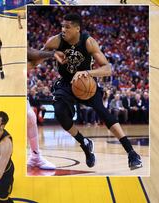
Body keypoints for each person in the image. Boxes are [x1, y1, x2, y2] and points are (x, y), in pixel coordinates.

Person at [42, 13, 142, 170]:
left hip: (86, 82)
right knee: (60, 113)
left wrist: (88, 73)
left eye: (67, 27)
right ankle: (85, 143)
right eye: (62, 26)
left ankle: (132, 153)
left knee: (103, 113)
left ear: (77, 29)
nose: (63, 30)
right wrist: (51, 53)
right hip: (66, 84)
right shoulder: (55, 41)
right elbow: (34, 56)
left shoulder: (88, 41)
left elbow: (108, 69)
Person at [26, 48, 66, 170]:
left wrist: (51, 54)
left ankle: (35, 157)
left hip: (17, 90)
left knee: (30, 117)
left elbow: (31, 55)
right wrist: (52, 54)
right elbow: (31, 54)